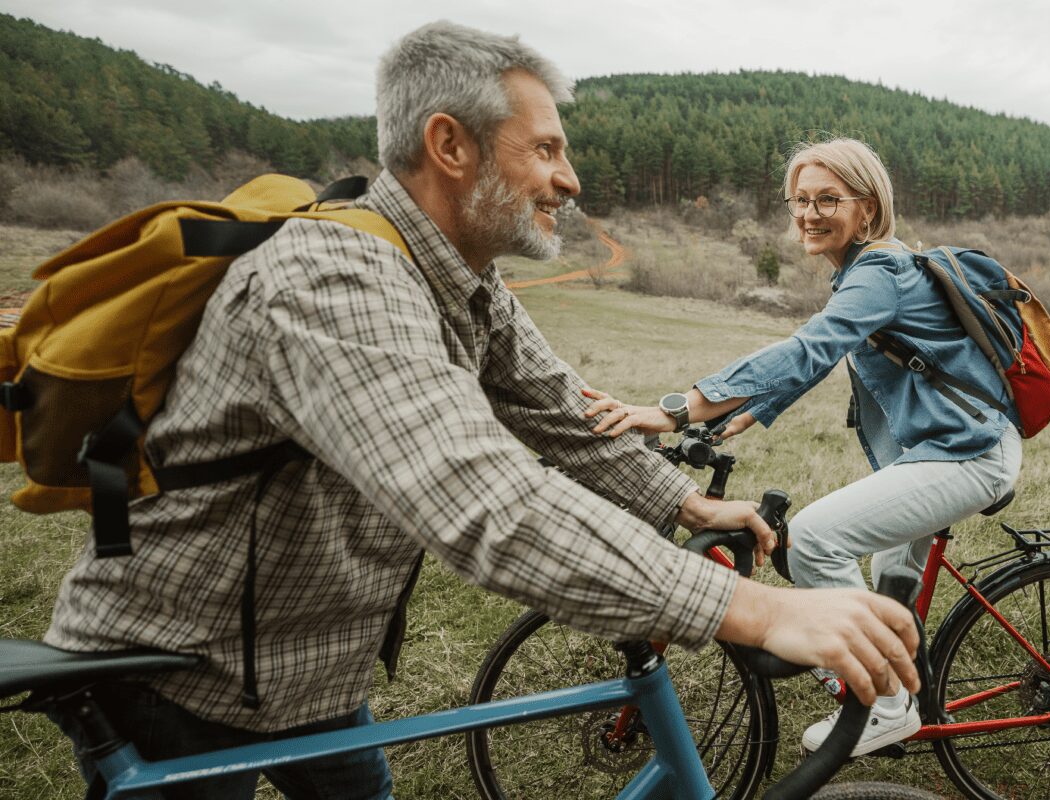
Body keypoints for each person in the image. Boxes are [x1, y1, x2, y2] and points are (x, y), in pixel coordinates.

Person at [42, 23, 919, 800]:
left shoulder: (462, 279)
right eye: (545, 150)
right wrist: (757, 610)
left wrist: (684, 505)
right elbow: (480, 496)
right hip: (183, 677)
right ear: (449, 144)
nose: (569, 179)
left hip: (313, 671)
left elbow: (561, 415)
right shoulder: (330, 279)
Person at [586, 137, 1023, 757]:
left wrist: (674, 409)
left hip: (967, 454)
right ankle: (905, 695)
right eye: (799, 202)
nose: (810, 214)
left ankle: (887, 706)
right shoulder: (865, 271)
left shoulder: (880, 272)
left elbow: (808, 347)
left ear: (867, 208)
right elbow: (830, 354)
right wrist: (751, 410)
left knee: (817, 539)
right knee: (886, 585)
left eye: (827, 199)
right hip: (942, 449)